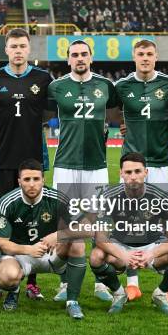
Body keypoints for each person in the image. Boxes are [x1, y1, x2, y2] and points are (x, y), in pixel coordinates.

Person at [0, 27, 53, 300]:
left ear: (29, 49)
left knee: (33, 220)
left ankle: (31, 281)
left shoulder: (43, 78)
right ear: (6, 49)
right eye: (13, 46)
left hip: (31, 161)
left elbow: (57, 107)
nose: (18, 51)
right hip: (1, 159)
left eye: (22, 46)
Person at [47, 39, 118, 303]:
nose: (79, 58)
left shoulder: (105, 86)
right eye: (74, 55)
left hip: (97, 166)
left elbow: (116, 113)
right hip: (65, 164)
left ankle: (100, 281)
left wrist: (116, 128)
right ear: (68, 60)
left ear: (91, 58)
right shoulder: (57, 86)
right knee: (66, 225)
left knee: (96, 223)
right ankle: (65, 282)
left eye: (83, 54)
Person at [113, 39, 168, 302]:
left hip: (161, 160)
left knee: (166, 221)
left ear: (156, 57)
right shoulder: (121, 86)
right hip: (131, 165)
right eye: (140, 54)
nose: (145, 58)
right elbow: (109, 110)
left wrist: (163, 135)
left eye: (149, 54)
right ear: (134, 57)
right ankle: (132, 282)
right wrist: (121, 124)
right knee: (131, 221)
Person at [90, 152, 168, 315]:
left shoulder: (161, 196)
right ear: (121, 173)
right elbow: (100, 237)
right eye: (128, 172)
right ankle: (118, 293)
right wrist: (123, 255)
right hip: (121, 247)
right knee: (95, 256)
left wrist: (151, 253)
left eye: (137, 171)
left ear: (146, 172)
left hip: (153, 246)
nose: (133, 176)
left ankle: (161, 294)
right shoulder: (109, 196)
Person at [0, 159, 87, 319]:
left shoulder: (58, 198)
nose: (32, 184)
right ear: (19, 181)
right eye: (26, 179)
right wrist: (28, 249)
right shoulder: (7, 202)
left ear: (43, 180)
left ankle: (72, 302)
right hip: (20, 256)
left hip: (52, 253)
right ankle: (13, 291)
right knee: (6, 277)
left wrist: (57, 235)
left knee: (78, 243)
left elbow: (86, 227)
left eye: (36, 179)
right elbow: (2, 243)